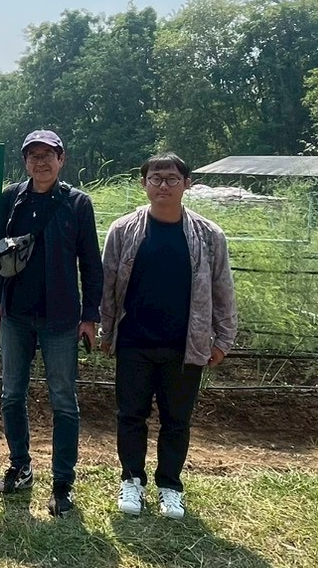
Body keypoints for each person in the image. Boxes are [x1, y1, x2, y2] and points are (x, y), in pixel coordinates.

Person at [98, 152, 237, 520]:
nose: (164, 185)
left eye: (172, 178)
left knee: (177, 420)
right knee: (131, 415)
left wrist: (223, 339)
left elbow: (223, 289)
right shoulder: (123, 230)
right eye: (155, 178)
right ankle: (132, 480)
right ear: (144, 184)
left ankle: (170, 486)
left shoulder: (209, 236)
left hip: (186, 344)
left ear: (186, 184)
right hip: (134, 342)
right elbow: (108, 285)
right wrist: (106, 330)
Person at [0, 129, 103, 516]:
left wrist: (90, 316)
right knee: (11, 395)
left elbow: (91, 263)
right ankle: (20, 467)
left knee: (63, 401)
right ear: (25, 162)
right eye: (33, 156)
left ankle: (62, 484)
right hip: (16, 314)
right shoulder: (11, 198)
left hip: (62, 318)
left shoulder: (77, 203)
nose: (40, 162)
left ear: (61, 159)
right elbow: (0, 254)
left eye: (47, 155)